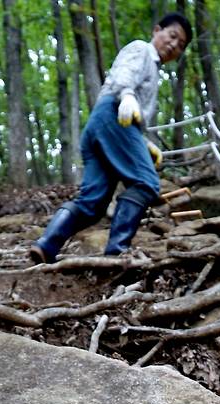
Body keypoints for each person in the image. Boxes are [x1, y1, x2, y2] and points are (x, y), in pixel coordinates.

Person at [30, 13, 192, 264]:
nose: (174, 45)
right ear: (156, 30)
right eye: (172, 36)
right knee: (146, 183)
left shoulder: (154, 69)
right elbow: (123, 73)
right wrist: (127, 95)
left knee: (92, 202)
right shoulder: (141, 50)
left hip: (103, 124)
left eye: (180, 45)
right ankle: (117, 253)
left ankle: (46, 245)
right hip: (114, 114)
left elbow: (133, 109)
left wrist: (143, 141)